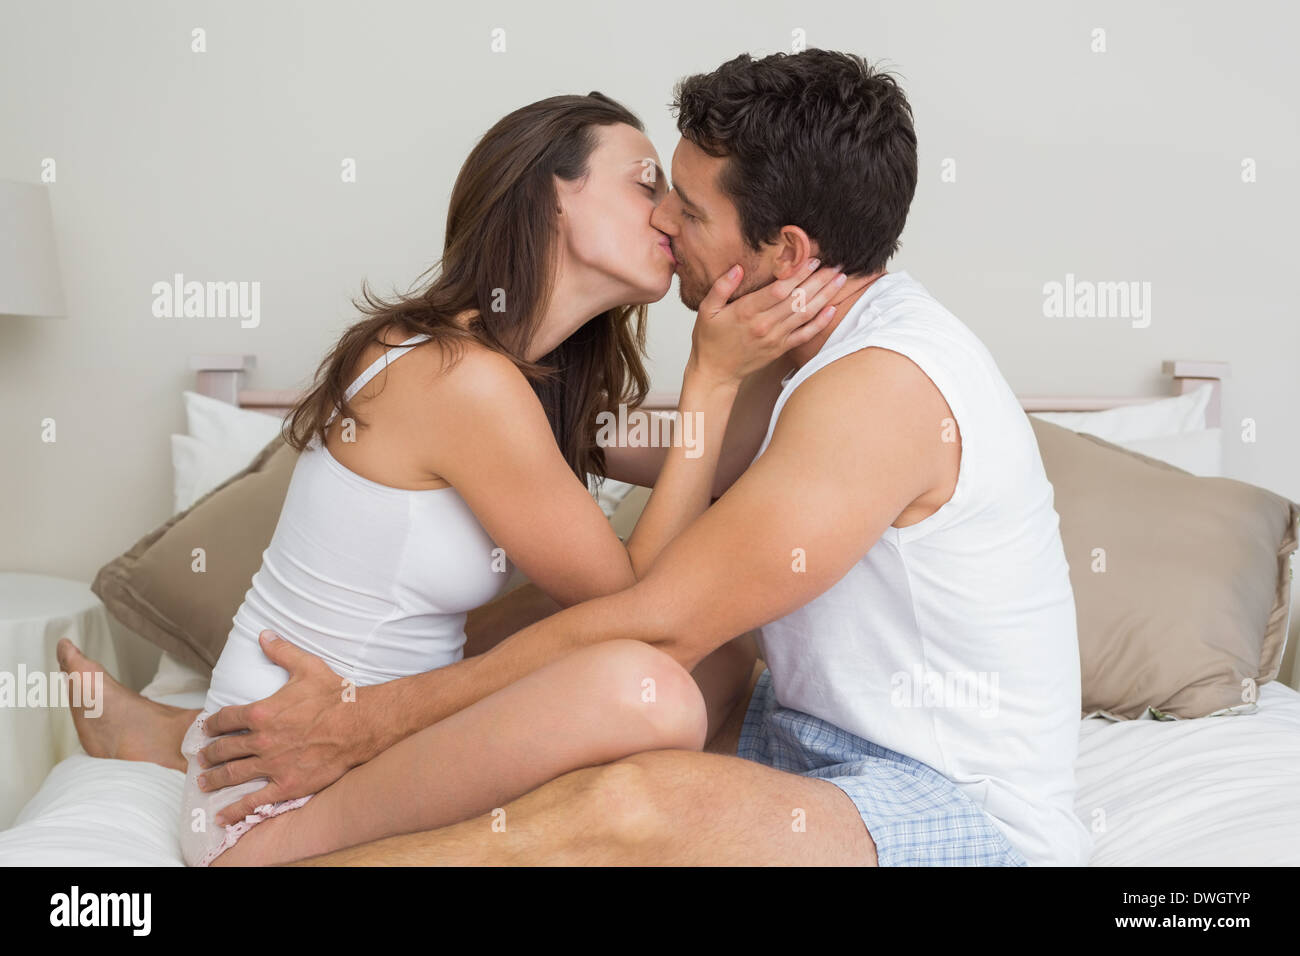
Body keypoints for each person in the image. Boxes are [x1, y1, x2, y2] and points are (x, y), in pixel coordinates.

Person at [70, 49, 1094, 867]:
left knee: (642, 751)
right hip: (819, 739)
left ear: (783, 252)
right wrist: (680, 387)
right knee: (659, 661)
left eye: (685, 208)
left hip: (948, 801)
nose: (664, 221)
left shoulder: (874, 389)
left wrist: (365, 720)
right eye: (655, 192)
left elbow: (654, 606)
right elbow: (668, 477)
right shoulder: (796, 356)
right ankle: (212, 746)